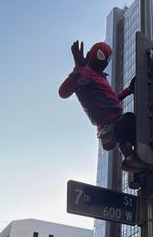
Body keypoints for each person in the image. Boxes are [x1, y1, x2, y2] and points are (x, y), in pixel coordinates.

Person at [59, 40, 146, 172]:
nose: (105, 61)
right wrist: (77, 70)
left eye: (107, 58)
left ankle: (134, 157)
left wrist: (128, 90)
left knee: (132, 127)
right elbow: (63, 92)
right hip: (108, 126)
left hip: (113, 122)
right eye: (101, 55)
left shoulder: (99, 77)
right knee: (131, 122)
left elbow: (110, 101)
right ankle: (131, 157)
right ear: (91, 55)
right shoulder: (85, 74)